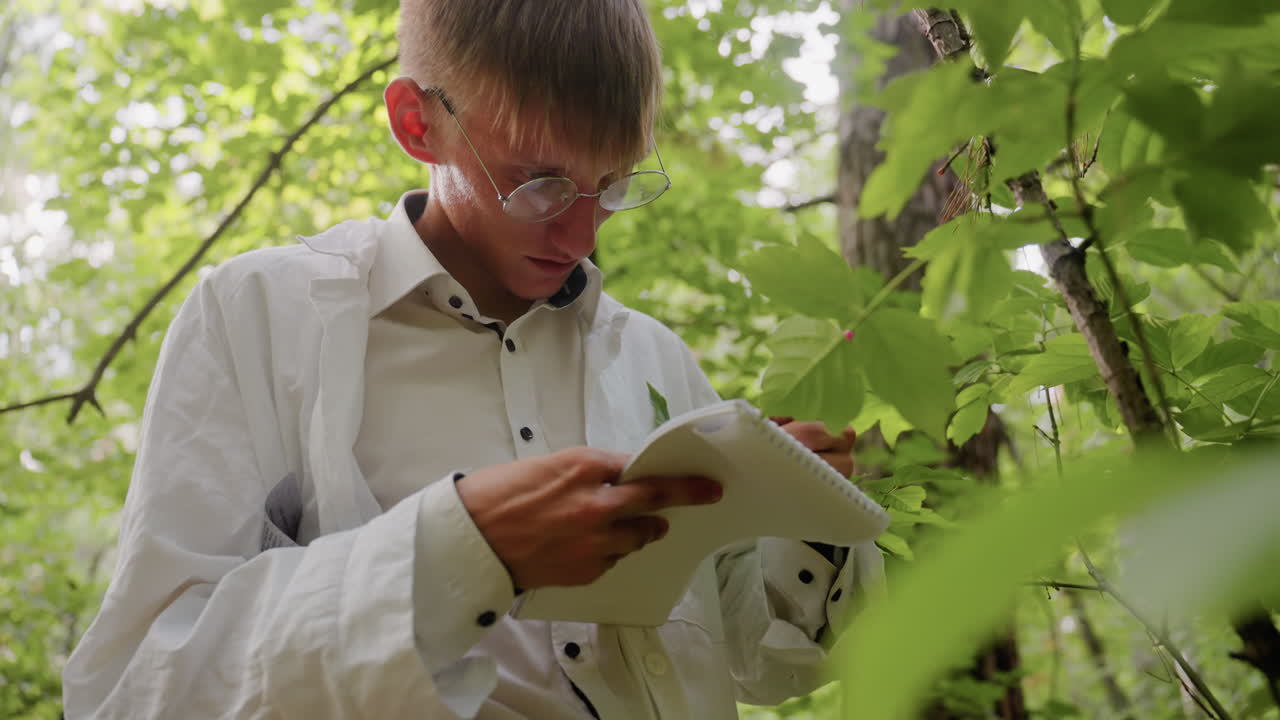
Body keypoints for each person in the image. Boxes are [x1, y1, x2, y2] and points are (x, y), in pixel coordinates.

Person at [62, 1, 883, 717]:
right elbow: (139, 690)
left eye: (615, 183)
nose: (583, 233)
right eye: (542, 184)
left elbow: (764, 665)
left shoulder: (654, 361)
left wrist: (805, 524)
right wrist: (456, 559)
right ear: (418, 123)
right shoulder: (260, 319)